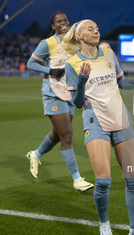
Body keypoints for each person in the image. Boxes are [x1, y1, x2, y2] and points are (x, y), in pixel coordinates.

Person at [62, 19, 134, 235]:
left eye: (97, 28)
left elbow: (120, 82)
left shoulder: (109, 54)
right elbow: (77, 103)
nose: (95, 30)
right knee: (104, 181)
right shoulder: (73, 64)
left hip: (121, 118)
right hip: (95, 121)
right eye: (90, 28)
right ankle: (104, 225)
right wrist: (83, 80)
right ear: (79, 36)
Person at [26, 11, 94, 192]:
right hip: (53, 93)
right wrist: (49, 70)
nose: (63, 23)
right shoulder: (47, 43)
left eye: (65, 20)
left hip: (70, 93)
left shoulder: (76, 44)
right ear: (53, 26)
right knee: (67, 136)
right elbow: (30, 63)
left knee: (58, 135)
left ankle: (35, 154)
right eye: (59, 21)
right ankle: (77, 180)